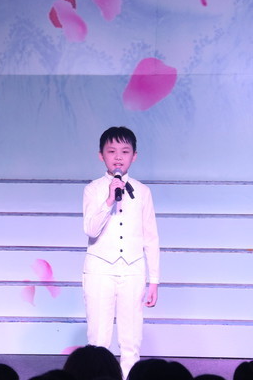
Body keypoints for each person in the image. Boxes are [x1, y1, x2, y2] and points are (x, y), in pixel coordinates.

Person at [82, 127, 159, 378]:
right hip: (99, 271)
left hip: (133, 270)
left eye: (125, 152)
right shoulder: (93, 189)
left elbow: (151, 238)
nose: (118, 157)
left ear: (134, 156)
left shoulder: (143, 191)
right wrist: (108, 200)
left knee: (131, 339)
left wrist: (154, 280)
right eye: (111, 151)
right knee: (98, 340)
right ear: (101, 155)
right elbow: (91, 229)